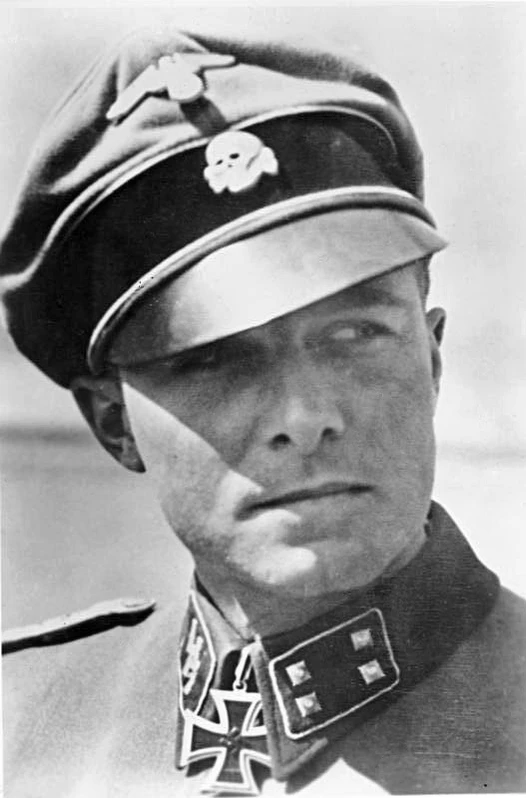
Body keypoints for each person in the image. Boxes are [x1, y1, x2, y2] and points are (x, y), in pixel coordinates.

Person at [1, 19, 525, 797]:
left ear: (433, 356)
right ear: (114, 422)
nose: (305, 417)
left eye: (355, 334)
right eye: (215, 359)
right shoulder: (19, 726)